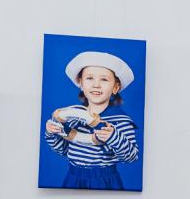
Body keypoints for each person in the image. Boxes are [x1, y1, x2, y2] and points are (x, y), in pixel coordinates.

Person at [44, 51, 139, 190]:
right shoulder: (73, 117)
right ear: (81, 83)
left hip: (105, 180)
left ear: (115, 87)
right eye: (89, 78)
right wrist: (52, 133)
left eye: (104, 79)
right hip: (73, 178)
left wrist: (113, 137)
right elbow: (63, 150)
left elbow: (131, 157)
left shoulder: (120, 121)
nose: (96, 85)